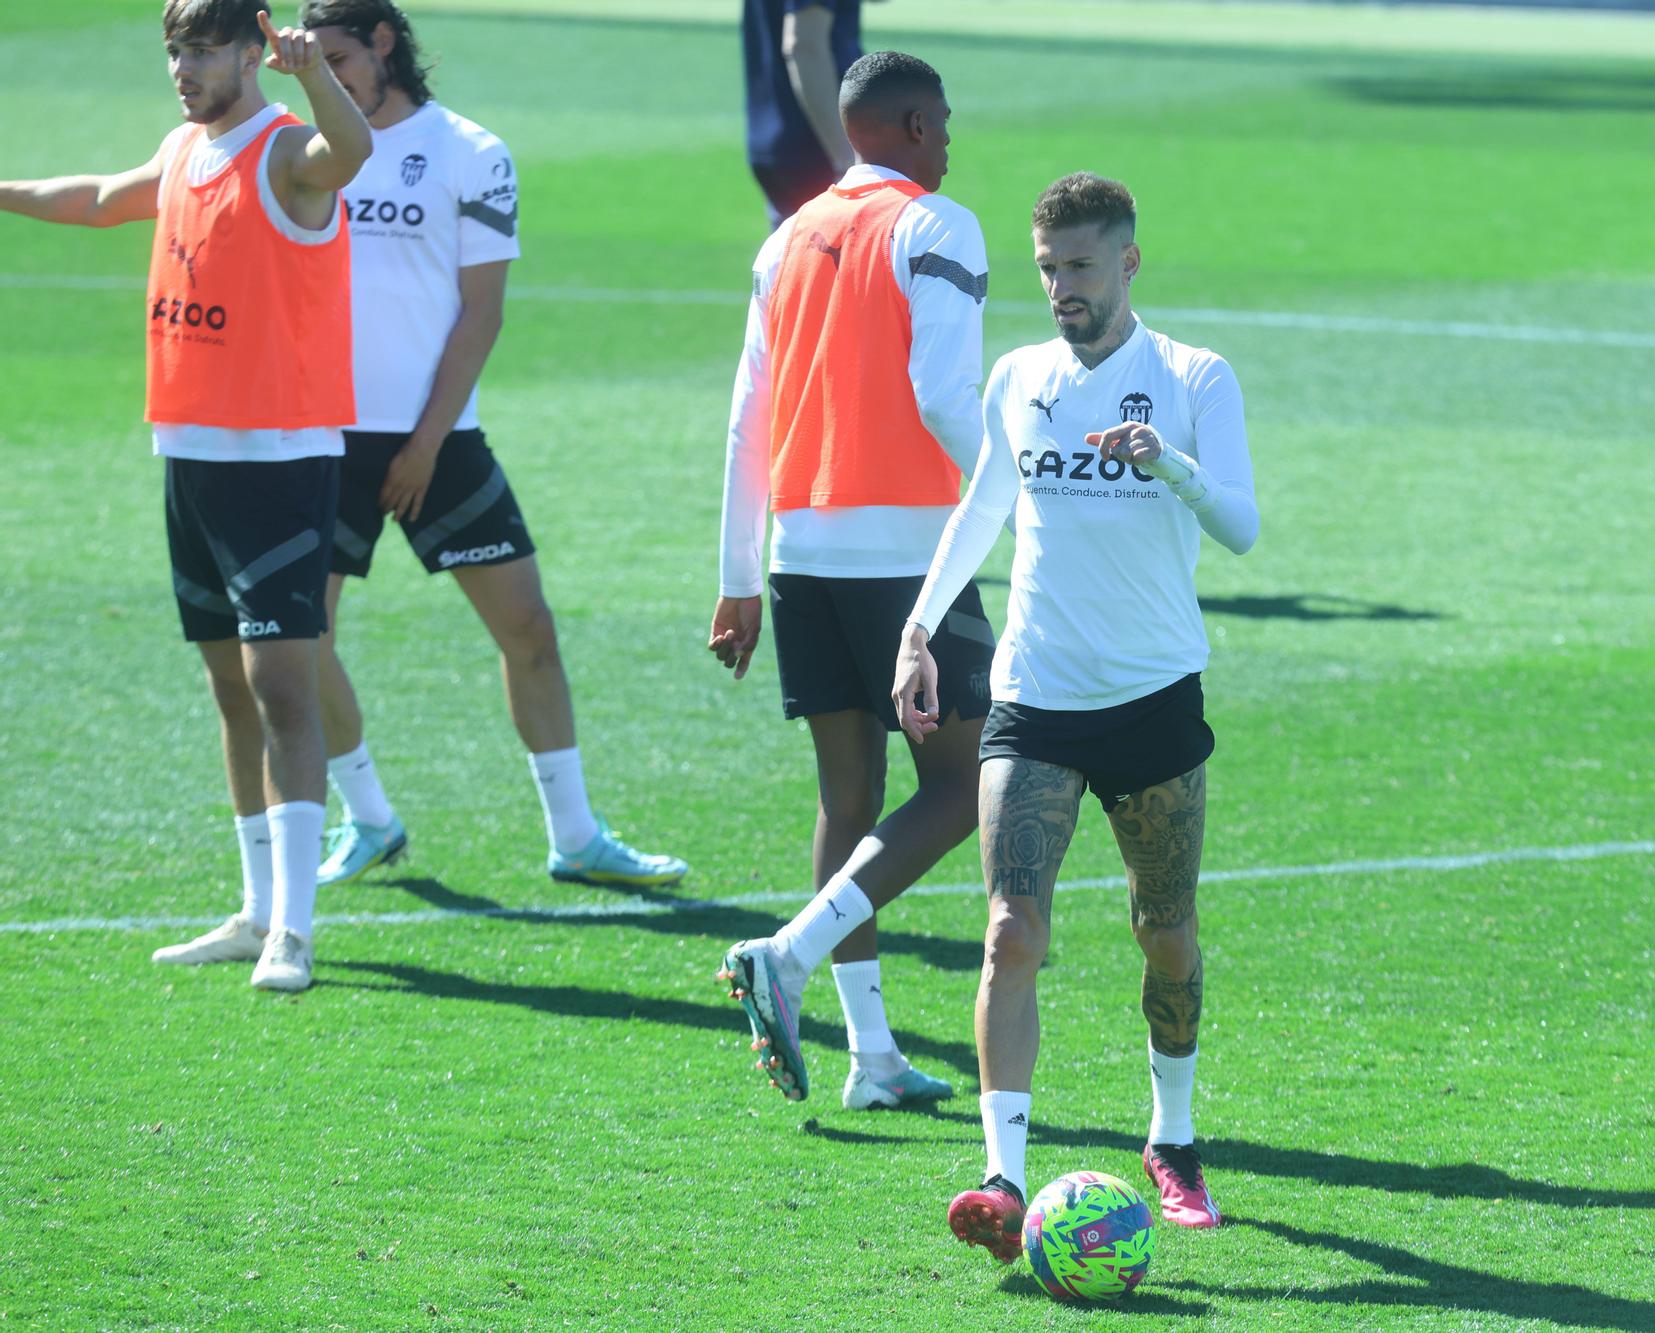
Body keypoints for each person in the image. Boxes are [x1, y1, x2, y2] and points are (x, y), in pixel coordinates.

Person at [892, 172, 1259, 1259]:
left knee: (1164, 930)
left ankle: (1174, 1138)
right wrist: (920, 625)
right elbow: (984, 506)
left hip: (1152, 698)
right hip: (1034, 696)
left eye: (1081, 266)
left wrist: (1170, 464)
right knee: (1010, 930)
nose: (1061, 287)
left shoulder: (1192, 377)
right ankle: (1000, 1175)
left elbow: (1239, 526)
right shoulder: (1018, 377)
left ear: (1128, 262)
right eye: (1048, 267)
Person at [0, 1, 371, 991]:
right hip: (192, 458)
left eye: (203, 48)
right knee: (227, 689)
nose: (184, 66)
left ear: (251, 53)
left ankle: (295, 930)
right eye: (174, 49)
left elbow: (354, 151)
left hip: (278, 464)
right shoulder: (181, 152)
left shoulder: (287, 149)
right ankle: (253, 911)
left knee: (284, 691)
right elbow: (92, 197)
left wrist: (315, 77)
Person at [300, 0, 688, 893]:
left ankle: (577, 834)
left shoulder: (472, 151)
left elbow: (482, 310)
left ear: (384, 45)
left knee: (528, 628)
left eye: (336, 57)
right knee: (301, 634)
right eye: (309, 61)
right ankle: (368, 816)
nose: (323, 75)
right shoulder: (306, 145)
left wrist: (428, 442)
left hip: (440, 436)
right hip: (320, 433)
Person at [711, 51, 990, 1111]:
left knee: (848, 797)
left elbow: (747, 415)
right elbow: (939, 390)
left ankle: (870, 1056)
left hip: (801, 553)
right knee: (963, 783)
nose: (951, 141)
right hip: (906, 553)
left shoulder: (785, 238)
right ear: (914, 125)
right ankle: (783, 956)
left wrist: (738, 576)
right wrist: (1021, 487)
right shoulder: (934, 223)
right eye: (946, 123)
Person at [742, 0, 864, 227]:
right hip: (820, 144)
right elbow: (804, 45)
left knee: (790, 256)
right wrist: (847, 158)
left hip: (778, 132)